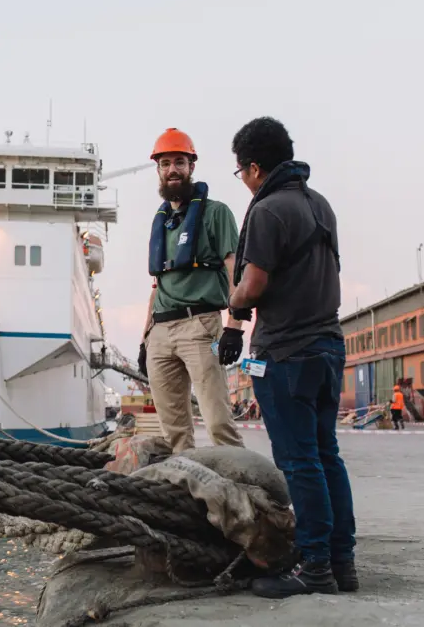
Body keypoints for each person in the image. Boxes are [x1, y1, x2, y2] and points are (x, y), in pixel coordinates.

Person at [227, 116, 357, 598]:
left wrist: (234, 305)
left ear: (254, 168)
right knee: (327, 455)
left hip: (286, 351)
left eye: (241, 173)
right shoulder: (320, 205)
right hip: (328, 345)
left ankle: (315, 567)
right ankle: (342, 562)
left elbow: (254, 283)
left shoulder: (268, 211)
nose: (243, 182)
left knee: (299, 461)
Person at [138, 127, 245, 454]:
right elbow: (157, 287)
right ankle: (187, 496)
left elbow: (234, 271)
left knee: (217, 422)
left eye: (180, 162)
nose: (173, 169)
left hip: (200, 327)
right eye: (166, 163)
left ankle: (242, 491)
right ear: (157, 169)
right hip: (160, 332)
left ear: (191, 167)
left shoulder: (216, 213)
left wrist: (235, 327)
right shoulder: (161, 221)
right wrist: (145, 340)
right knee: (173, 431)